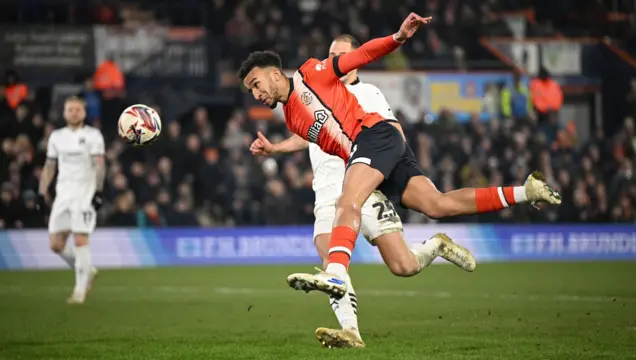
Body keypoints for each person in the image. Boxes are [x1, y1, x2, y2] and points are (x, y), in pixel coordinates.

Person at [238, 13, 560, 307]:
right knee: (438, 205)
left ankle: (335, 274)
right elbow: (319, 135)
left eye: (256, 84)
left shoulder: (313, 72)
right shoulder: (293, 118)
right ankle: (525, 191)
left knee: (347, 200)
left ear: (276, 74)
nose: (255, 94)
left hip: (374, 139)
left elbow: (360, 55)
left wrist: (398, 37)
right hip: (375, 152)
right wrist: (277, 149)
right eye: (250, 90)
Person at [256, 34, 474, 349]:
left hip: (363, 185)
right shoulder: (314, 94)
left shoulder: (366, 93)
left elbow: (387, 131)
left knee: (403, 266)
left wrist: (402, 175)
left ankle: (435, 246)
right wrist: (276, 148)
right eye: (332, 53)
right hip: (326, 192)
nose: (337, 59)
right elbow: (307, 136)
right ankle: (351, 332)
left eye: (343, 54)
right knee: (330, 261)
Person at [38, 96, 106, 304]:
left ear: (84, 113)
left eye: (78, 109)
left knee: (80, 240)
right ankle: (87, 270)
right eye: (70, 110)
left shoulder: (93, 136)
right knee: (55, 244)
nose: (74, 113)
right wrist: (43, 190)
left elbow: (99, 166)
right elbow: (50, 166)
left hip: (84, 194)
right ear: (64, 113)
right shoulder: (57, 137)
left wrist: (98, 192)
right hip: (63, 194)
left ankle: (79, 290)